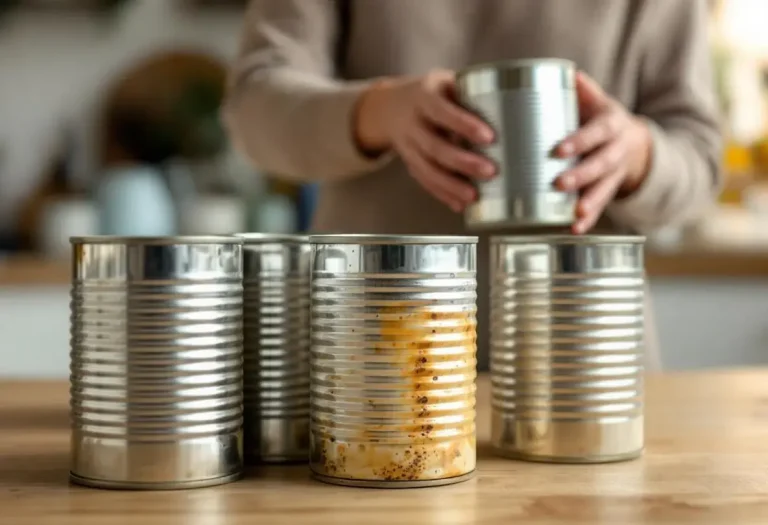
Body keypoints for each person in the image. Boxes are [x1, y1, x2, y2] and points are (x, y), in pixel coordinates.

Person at [223, 0, 722, 370]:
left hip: (586, 363)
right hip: (374, 360)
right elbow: (252, 108)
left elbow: (701, 162)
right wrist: (378, 112)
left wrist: (637, 153)